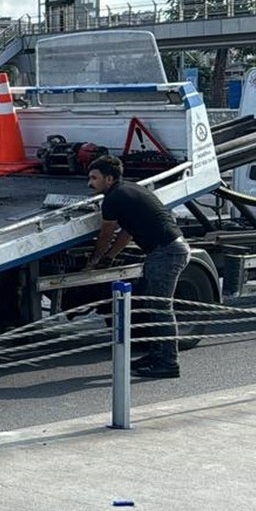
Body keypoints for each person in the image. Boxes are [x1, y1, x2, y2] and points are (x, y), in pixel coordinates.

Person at [86, 154, 189, 379]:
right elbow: (127, 232)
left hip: (166, 252)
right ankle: (157, 354)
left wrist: (94, 260)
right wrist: (110, 257)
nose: (90, 183)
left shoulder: (113, 198)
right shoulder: (129, 190)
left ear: (109, 179)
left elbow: (106, 235)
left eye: (94, 178)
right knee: (153, 304)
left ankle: (168, 362)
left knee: (160, 307)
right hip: (168, 250)